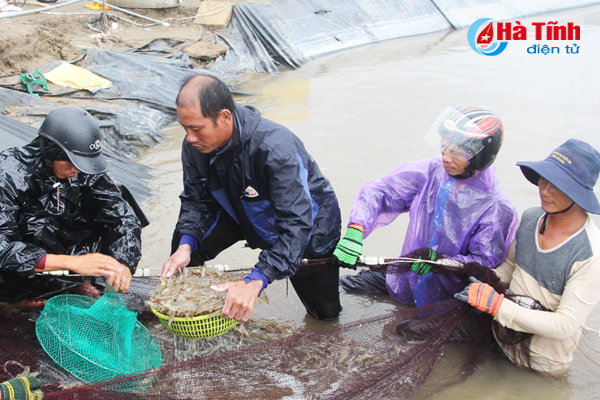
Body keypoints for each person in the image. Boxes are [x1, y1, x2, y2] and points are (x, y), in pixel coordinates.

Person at [161, 74, 342, 322]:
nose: (189, 137)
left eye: (196, 129)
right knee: (186, 249)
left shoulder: (275, 149)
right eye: (184, 128)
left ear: (224, 117)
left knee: (324, 314)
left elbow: (295, 224)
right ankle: (191, 313)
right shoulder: (194, 146)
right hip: (236, 208)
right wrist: (185, 246)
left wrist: (257, 278)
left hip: (308, 224)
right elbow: (196, 200)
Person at [333, 105, 518, 307]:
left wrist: (439, 263)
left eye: (456, 152)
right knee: (341, 287)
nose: (446, 156)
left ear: (481, 156)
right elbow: (381, 191)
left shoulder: (496, 206)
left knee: (406, 333)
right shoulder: (431, 170)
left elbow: (484, 261)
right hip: (404, 275)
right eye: (444, 147)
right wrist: (356, 229)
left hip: (448, 294)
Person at [455, 138, 600, 376]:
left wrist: (496, 305)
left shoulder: (591, 253)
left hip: (539, 362)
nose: (545, 190)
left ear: (578, 193)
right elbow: (510, 267)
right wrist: (484, 280)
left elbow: (564, 325)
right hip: (499, 333)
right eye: (544, 179)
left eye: (557, 185)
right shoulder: (532, 218)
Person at [0, 106, 145, 299]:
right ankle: (38, 293)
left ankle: (75, 283)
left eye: (82, 163)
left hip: (74, 259)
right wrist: (70, 262)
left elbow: (122, 218)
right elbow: (3, 247)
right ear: (51, 151)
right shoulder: (9, 175)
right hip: (25, 271)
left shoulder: (84, 171)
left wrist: (122, 264)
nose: (76, 169)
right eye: (70, 162)